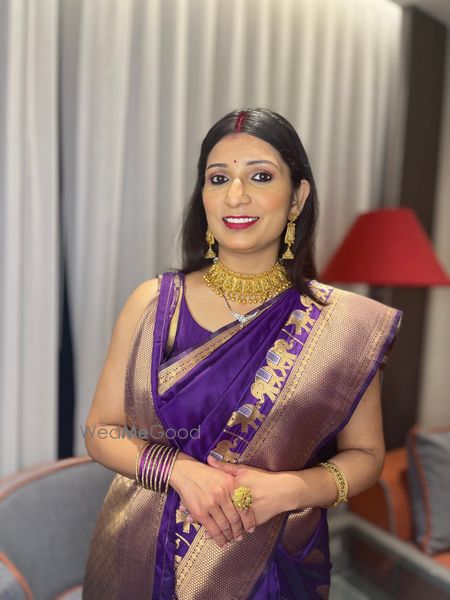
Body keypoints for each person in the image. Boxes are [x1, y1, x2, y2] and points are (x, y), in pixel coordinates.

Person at [82, 108, 402, 600]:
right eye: (218, 178)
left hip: (269, 564)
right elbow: (101, 430)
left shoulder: (343, 326)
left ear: (298, 197)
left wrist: (294, 489)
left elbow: (367, 456)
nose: (236, 195)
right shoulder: (152, 303)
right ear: (203, 196)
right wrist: (179, 471)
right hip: (141, 553)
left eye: (260, 176)